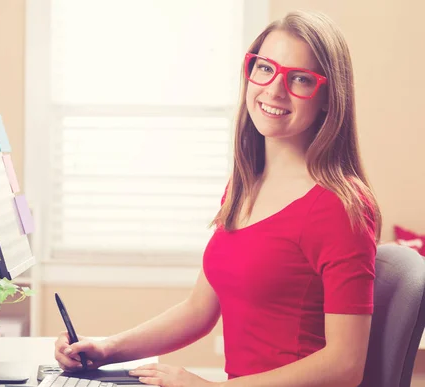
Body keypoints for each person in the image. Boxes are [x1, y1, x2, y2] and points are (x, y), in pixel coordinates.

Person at [54, 10, 381, 387]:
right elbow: (199, 310)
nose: (275, 89)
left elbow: (345, 365)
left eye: (301, 79)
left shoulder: (341, 207)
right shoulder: (246, 183)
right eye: (265, 68)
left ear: (327, 97)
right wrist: (106, 349)